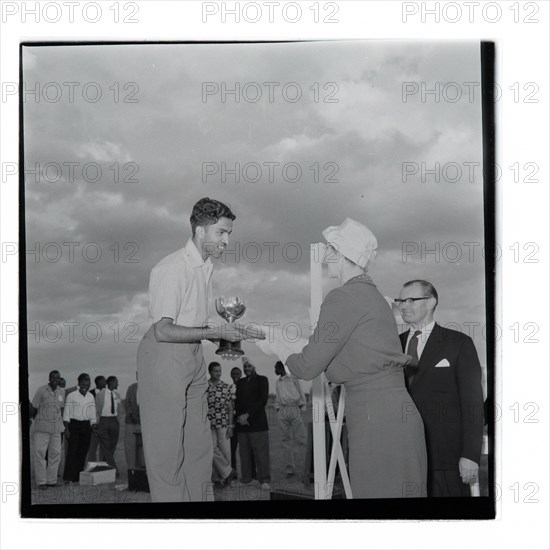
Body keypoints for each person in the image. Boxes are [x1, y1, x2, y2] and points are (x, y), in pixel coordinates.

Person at [257, 218, 427, 498]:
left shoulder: (342, 297)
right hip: (396, 415)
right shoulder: (375, 299)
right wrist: (277, 339)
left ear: (339, 254)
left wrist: (277, 343)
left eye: (330, 251)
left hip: (375, 418)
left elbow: (308, 365)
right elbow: (340, 356)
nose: (327, 259)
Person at [136, 197, 264, 502]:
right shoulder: (172, 267)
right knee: (167, 451)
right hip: (164, 355)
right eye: (221, 232)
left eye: (229, 234)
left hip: (192, 356)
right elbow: (163, 329)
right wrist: (216, 331)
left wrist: (226, 336)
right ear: (200, 230)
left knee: (198, 449)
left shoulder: (203, 267)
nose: (226, 240)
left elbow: (193, 322)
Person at [396, 279, 484, 497]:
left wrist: (471, 455)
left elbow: (472, 403)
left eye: (410, 300)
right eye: (400, 301)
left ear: (431, 302)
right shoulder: (392, 346)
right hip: (402, 458)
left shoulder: (458, 343)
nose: (403, 305)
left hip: (447, 461)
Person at [235, 356, 271, 490]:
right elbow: (237, 402)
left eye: (249, 366)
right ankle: (246, 479)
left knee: (261, 453)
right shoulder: (241, 382)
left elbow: (262, 401)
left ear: (254, 367)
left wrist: (247, 415)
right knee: (243, 453)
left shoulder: (262, 380)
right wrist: (240, 417)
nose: (247, 369)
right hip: (242, 425)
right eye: (245, 367)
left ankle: (264, 480)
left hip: (258, 423)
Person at [31, 370, 65, 489]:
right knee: (40, 453)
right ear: (49, 378)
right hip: (42, 427)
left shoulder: (62, 392)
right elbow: (34, 406)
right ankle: (41, 482)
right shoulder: (41, 390)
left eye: (58, 377)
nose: (56, 379)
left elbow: (61, 408)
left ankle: (52, 480)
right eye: (53, 377)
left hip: (56, 428)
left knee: (56, 454)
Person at [274, 361, 307, 478]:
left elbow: (300, 392)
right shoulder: (278, 382)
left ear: (281, 368)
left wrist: (303, 406)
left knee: (302, 439)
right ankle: (290, 469)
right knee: (285, 440)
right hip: (282, 410)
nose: (275, 370)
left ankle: (306, 466)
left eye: (276, 368)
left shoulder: (293, 378)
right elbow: (278, 397)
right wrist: (278, 409)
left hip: (294, 407)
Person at [62, 373, 97, 483]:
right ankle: (68, 477)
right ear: (79, 383)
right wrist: (66, 429)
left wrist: (94, 425)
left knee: (83, 452)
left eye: (87, 385)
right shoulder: (71, 395)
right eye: (83, 384)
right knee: (72, 451)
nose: (85, 387)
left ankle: (77, 477)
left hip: (86, 426)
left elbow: (92, 412)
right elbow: (66, 413)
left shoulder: (90, 396)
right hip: (73, 425)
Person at [207, 362, 238, 486]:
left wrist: (231, 426)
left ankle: (225, 479)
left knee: (225, 451)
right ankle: (221, 475)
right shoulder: (204, 386)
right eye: (215, 371)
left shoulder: (226, 387)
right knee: (211, 450)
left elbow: (231, 409)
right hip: (208, 424)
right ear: (210, 372)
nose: (218, 373)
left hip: (224, 423)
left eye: (220, 371)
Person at [95, 375, 122, 474]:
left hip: (114, 421)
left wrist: (118, 420)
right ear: (110, 383)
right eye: (116, 382)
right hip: (103, 421)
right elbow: (96, 410)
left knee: (112, 445)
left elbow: (120, 410)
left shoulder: (117, 395)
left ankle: (104, 465)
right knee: (105, 445)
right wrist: (96, 423)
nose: (117, 384)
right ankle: (114, 470)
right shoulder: (100, 395)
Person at [86, 375, 107, 463]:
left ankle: (103, 465)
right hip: (93, 423)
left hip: (105, 423)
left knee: (104, 446)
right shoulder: (90, 393)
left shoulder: (108, 393)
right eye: (104, 381)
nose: (105, 382)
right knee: (92, 447)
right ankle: (91, 465)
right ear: (98, 382)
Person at [124, 373, 141, 471]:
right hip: (131, 421)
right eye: (138, 374)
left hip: (145, 423)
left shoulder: (150, 388)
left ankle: (143, 470)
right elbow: (127, 404)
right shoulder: (131, 388)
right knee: (130, 446)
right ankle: (131, 469)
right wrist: (132, 416)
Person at [228, 367, 242, 470]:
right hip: (233, 420)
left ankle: (251, 474)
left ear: (241, 374)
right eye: (234, 374)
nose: (235, 375)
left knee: (246, 448)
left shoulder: (245, 387)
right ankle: (233, 472)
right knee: (232, 447)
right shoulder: (229, 388)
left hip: (243, 419)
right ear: (231, 375)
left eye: (237, 373)